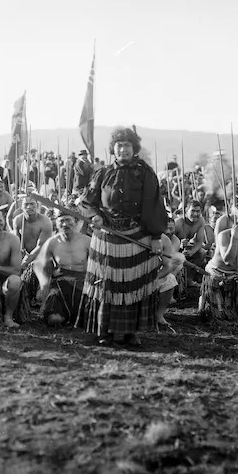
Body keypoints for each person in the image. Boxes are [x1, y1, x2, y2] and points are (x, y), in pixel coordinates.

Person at [78, 125, 168, 346]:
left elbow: (154, 206)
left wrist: (155, 237)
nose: (123, 149)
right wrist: (95, 215)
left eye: (127, 145)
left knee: (132, 286)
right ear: (113, 149)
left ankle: (129, 333)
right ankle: (104, 332)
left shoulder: (145, 173)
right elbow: (86, 202)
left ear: (134, 148)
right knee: (106, 285)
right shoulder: (102, 172)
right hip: (106, 238)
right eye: (119, 145)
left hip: (136, 237)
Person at [33, 209, 91, 326]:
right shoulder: (52, 242)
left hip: (83, 284)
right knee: (54, 319)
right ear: (56, 223)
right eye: (62, 221)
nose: (65, 224)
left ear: (75, 222)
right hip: (61, 283)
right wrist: (44, 285)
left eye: (68, 220)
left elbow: (97, 266)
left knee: (87, 320)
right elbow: (38, 265)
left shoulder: (87, 241)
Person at [174, 200, 207, 288]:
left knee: (202, 253)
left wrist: (192, 252)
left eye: (198, 211)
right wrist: (180, 245)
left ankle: (189, 279)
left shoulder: (200, 221)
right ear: (186, 211)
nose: (195, 214)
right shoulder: (178, 223)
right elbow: (168, 241)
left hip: (186, 247)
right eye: (192, 211)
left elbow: (199, 241)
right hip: (174, 248)